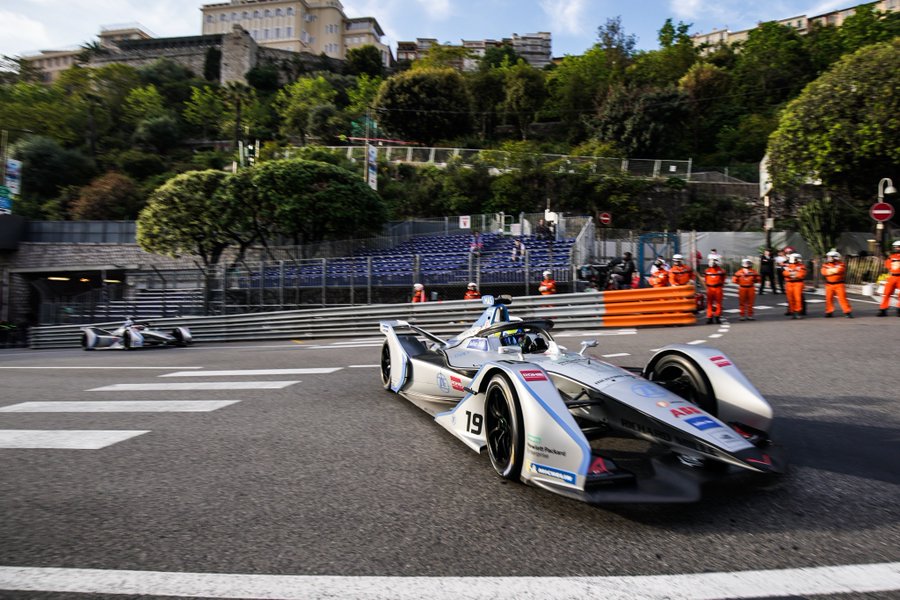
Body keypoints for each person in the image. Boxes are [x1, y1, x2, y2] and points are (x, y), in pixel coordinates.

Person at [821, 250, 853, 318]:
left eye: (830, 257)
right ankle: (829, 312)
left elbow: (839, 270)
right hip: (829, 284)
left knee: (842, 299)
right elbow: (823, 272)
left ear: (835, 257)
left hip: (839, 284)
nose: (828, 258)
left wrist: (829, 271)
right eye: (828, 257)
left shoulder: (841, 264)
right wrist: (833, 270)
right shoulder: (826, 265)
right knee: (828, 299)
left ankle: (847, 312)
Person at [877, 240, 900, 317]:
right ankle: (883, 309)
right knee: (886, 293)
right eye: (895, 247)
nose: (896, 248)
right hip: (892, 276)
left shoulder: (892, 257)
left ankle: (899, 309)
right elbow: (888, 265)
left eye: (897, 247)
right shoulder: (891, 256)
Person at [703, 254, 727, 324]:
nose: (712, 262)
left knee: (718, 303)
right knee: (709, 303)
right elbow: (705, 279)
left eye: (713, 260)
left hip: (718, 288)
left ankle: (717, 316)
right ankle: (709, 317)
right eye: (711, 260)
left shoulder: (721, 271)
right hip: (710, 288)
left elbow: (723, 280)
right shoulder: (707, 270)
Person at [783, 253, 807, 319]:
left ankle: (798, 312)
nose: (791, 260)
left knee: (798, 298)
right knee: (790, 298)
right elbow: (785, 273)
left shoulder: (801, 266)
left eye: (792, 258)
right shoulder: (788, 266)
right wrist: (794, 273)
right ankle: (793, 311)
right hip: (789, 283)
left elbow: (801, 274)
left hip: (798, 283)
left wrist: (791, 274)